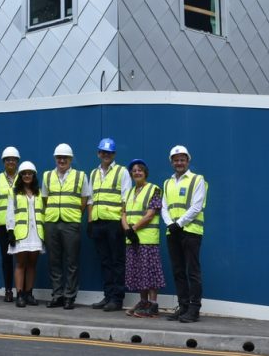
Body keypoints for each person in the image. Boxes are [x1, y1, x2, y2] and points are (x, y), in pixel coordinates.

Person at [42, 143, 91, 310]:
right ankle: (57, 295)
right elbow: (45, 199)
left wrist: (75, 215)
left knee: (72, 262)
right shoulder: (47, 176)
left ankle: (70, 296)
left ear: (70, 159)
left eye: (65, 158)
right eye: (59, 157)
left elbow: (85, 200)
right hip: (52, 223)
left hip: (71, 223)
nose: (62, 160)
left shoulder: (80, 176)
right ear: (55, 159)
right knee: (54, 261)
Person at [161, 145, 208, 323]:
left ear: (188, 161)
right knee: (178, 271)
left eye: (182, 159)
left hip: (191, 232)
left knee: (193, 272)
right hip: (172, 231)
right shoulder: (167, 182)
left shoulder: (197, 180)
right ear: (171, 162)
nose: (179, 162)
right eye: (176, 159)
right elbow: (164, 207)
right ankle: (183, 307)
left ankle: (194, 310)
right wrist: (170, 224)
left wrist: (179, 224)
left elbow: (197, 206)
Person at [88, 137, 132, 312]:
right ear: (99, 153)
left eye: (109, 152)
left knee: (117, 261)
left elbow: (125, 199)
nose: (106, 155)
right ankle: (108, 296)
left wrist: (123, 222)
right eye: (103, 152)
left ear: (114, 154)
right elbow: (91, 199)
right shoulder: (93, 173)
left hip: (115, 223)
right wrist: (90, 221)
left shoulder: (122, 172)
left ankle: (117, 299)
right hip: (98, 223)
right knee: (104, 261)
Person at [121, 159, 165, 317]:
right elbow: (123, 213)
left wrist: (133, 228)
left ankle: (153, 305)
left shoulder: (154, 189)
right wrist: (127, 230)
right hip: (133, 239)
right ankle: (143, 302)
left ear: (145, 173)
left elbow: (151, 213)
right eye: (134, 170)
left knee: (150, 272)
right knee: (139, 272)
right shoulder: (129, 192)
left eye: (140, 170)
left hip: (147, 239)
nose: (137, 172)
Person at [5, 161, 44, 308]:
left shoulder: (39, 192)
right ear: (20, 176)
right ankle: (20, 295)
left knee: (32, 265)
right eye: (24, 174)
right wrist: (10, 231)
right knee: (21, 264)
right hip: (21, 234)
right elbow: (10, 212)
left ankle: (29, 294)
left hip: (36, 233)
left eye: (30, 173)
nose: (27, 176)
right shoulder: (14, 192)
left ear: (34, 176)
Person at [0, 146, 20, 302]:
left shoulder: (23, 177)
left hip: (19, 223)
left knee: (21, 257)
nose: (10, 162)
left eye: (13, 160)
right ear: (3, 162)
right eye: (8, 160)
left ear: (17, 162)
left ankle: (22, 290)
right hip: (2, 223)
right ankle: (8, 290)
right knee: (6, 257)